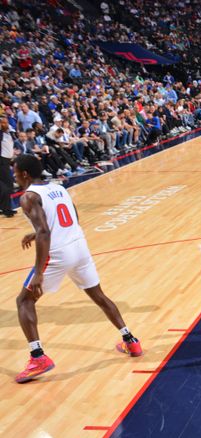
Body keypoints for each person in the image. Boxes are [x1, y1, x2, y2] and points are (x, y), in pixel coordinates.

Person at [12, 154, 144, 384]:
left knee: (24, 301)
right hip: (79, 246)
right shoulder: (59, 187)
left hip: (58, 253)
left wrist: (39, 272)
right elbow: (72, 219)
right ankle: (130, 340)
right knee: (98, 295)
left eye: (15, 172)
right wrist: (37, 234)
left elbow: (45, 231)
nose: (14, 176)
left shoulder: (28, 197)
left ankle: (37, 357)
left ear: (24, 174)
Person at [0, 114, 16, 217]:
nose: (6, 124)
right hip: (1, 161)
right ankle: (6, 209)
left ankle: (5, 208)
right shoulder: (0, 134)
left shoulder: (9, 133)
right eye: (3, 122)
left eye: (6, 122)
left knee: (6, 186)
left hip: (7, 161)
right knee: (8, 185)